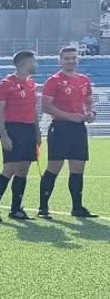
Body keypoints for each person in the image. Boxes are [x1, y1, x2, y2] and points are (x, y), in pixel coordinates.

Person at [38, 44, 96, 219]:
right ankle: (43, 208)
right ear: (60, 60)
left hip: (79, 129)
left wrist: (90, 113)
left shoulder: (84, 79)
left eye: (73, 58)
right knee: (54, 167)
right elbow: (46, 106)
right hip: (60, 128)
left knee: (78, 168)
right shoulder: (54, 80)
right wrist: (71, 117)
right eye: (66, 58)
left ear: (77, 59)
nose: (70, 61)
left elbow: (89, 101)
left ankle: (77, 208)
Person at [0, 49, 38, 222]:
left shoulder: (32, 84)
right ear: (24, 63)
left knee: (24, 168)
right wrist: (3, 134)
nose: (35, 64)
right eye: (33, 61)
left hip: (29, 130)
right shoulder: (5, 84)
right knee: (9, 168)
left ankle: (16, 209)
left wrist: (37, 132)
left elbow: (33, 110)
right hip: (13, 129)